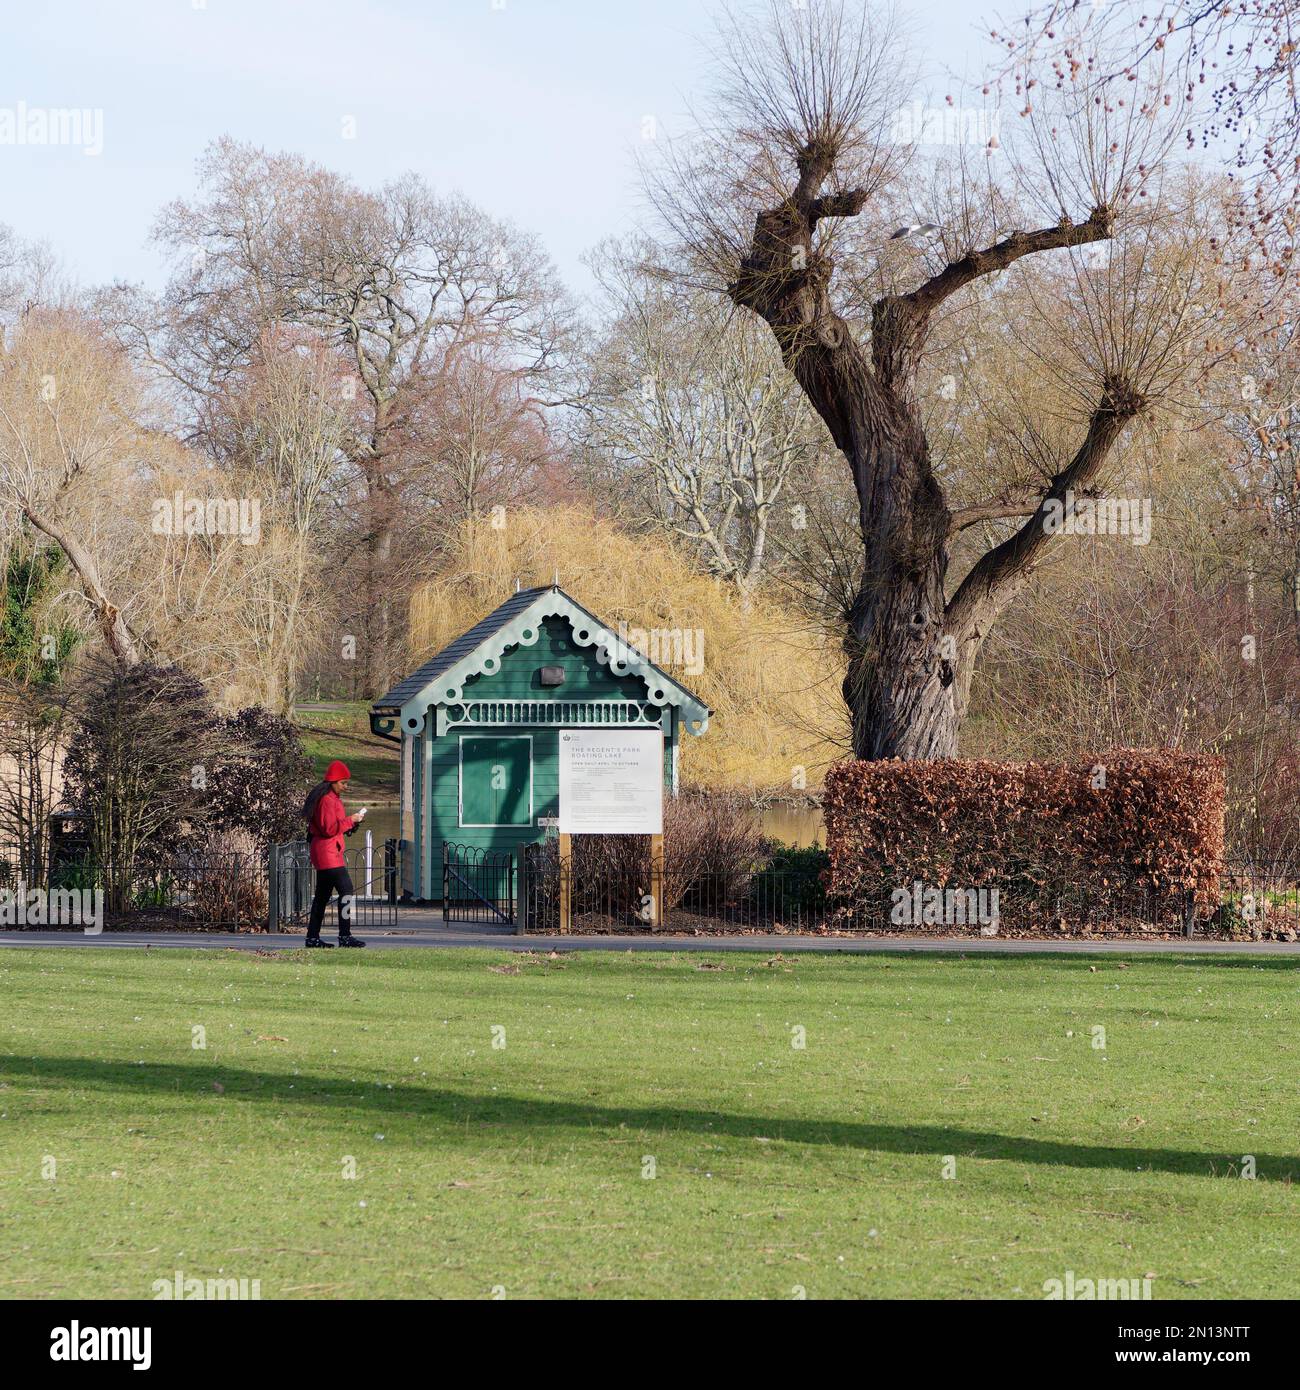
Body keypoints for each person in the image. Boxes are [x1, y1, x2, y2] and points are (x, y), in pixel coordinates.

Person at [302, 759, 367, 948]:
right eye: (343, 782)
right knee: (346, 890)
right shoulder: (327, 800)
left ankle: (312, 937)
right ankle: (344, 936)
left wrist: (351, 823)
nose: (346, 786)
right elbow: (329, 829)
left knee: (322, 897)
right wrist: (351, 820)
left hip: (327, 851)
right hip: (327, 853)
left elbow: (333, 827)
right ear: (333, 781)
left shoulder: (330, 798)